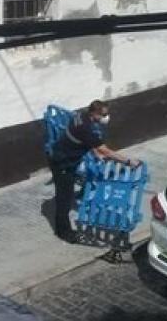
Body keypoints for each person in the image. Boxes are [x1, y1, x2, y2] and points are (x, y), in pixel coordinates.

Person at [48, 100, 138, 243]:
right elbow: (104, 150)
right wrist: (128, 161)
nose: (106, 117)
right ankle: (64, 232)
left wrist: (96, 154)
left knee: (67, 194)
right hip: (62, 163)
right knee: (64, 199)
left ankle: (63, 227)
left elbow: (88, 142)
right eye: (103, 114)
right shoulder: (86, 128)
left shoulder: (81, 116)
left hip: (61, 156)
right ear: (94, 113)